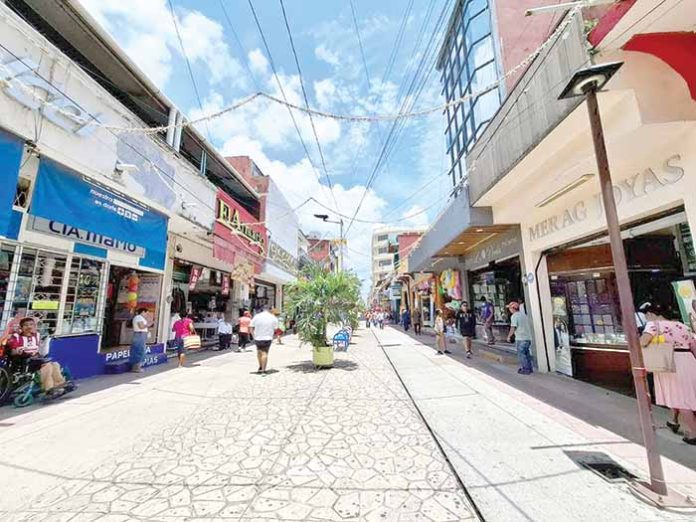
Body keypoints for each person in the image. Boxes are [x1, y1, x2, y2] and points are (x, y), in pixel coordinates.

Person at [639, 301, 696, 444]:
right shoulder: (682, 326)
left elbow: (643, 342)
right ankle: (673, 420)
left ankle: (694, 433)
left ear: (651, 314)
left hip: (669, 362)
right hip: (688, 360)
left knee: (680, 398)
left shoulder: (653, 325)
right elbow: (693, 346)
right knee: (683, 393)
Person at [6, 317, 66, 393]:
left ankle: (60, 385)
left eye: (31, 325)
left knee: (55, 364)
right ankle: (48, 389)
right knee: (47, 366)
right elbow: (12, 351)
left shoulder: (37, 336)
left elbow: (41, 351)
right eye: (26, 325)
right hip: (24, 361)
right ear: (21, 327)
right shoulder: (17, 337)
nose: (29, 327)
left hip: (37, 359)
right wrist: (17, 351)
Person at [507, 301, 533, 375]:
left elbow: (513, 327)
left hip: (520, 338)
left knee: (521, 354)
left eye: (510, 308)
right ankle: (529, 368)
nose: (509, 310)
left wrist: (509, 336)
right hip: (527, 337)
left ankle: (525, 369)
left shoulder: (514, 316)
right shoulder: (524, 315)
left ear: (513, 308)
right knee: (526, 354)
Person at [250, 306, 278, 374]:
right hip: (268, 337)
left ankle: (260, 366)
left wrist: (253, 336)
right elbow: (276, 328)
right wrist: (272, 334)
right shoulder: (273, 317)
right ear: (269, 310)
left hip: (258, 337)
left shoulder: (256, 316)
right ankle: (263, 370)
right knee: (265, 353)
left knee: (259, 352)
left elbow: (251, 327)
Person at [129, 308, 151, 373]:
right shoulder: (139, 317)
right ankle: (136, 368)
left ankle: (138, 366)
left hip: (141, 335)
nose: (147, 315)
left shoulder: (140, 318)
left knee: (140, 350)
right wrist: (148, 324)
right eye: (146, 313)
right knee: (139, 350)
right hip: (139, 334)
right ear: (143, 312)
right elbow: (141, 326)